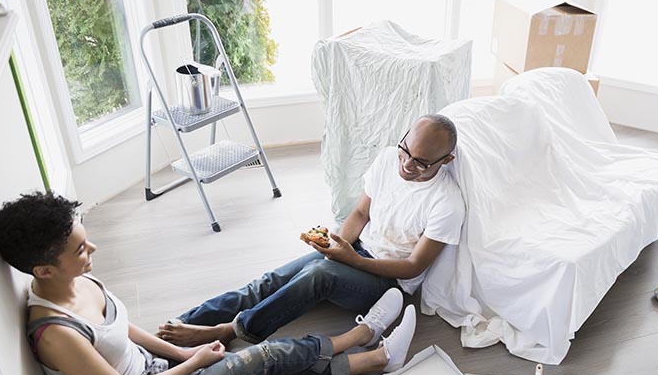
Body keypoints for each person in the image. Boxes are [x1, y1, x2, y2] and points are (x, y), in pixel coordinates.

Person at [0, 192, 417, 375]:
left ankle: (375, 360)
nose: (93, 249)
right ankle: (359, 338)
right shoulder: (56, 334)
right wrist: (194, 360)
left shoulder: (74, 279)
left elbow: (125, 328)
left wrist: (179, 355)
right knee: (260, 358)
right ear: (44, 269)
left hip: (153, 370)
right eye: (80, 249)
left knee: (249, 370)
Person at [158, 113, 465, 347]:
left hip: (388, 280)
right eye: (405, 151)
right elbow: (360, 212)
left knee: (317, 276)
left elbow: (413, 267)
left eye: (421, 163)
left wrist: (349, 260)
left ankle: (232, 331)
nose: (407, 165)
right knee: (273, 279)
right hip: (356, 251)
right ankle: (183, 323)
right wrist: (338, 247)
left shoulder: (447, 202)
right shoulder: (388, 158)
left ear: (446, 160)